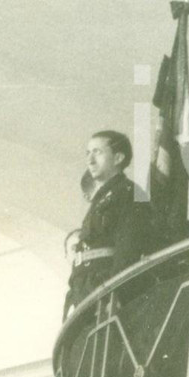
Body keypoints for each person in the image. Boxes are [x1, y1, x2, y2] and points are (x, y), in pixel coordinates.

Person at [64, 131, 159, 319]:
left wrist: (114, 294)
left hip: (103, 290)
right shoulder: (101, 199)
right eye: (88, 153)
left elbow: (128, 251)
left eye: (97, 152)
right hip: (84, 289)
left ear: (118, 158)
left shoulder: (128, 194)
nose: (90, 160)